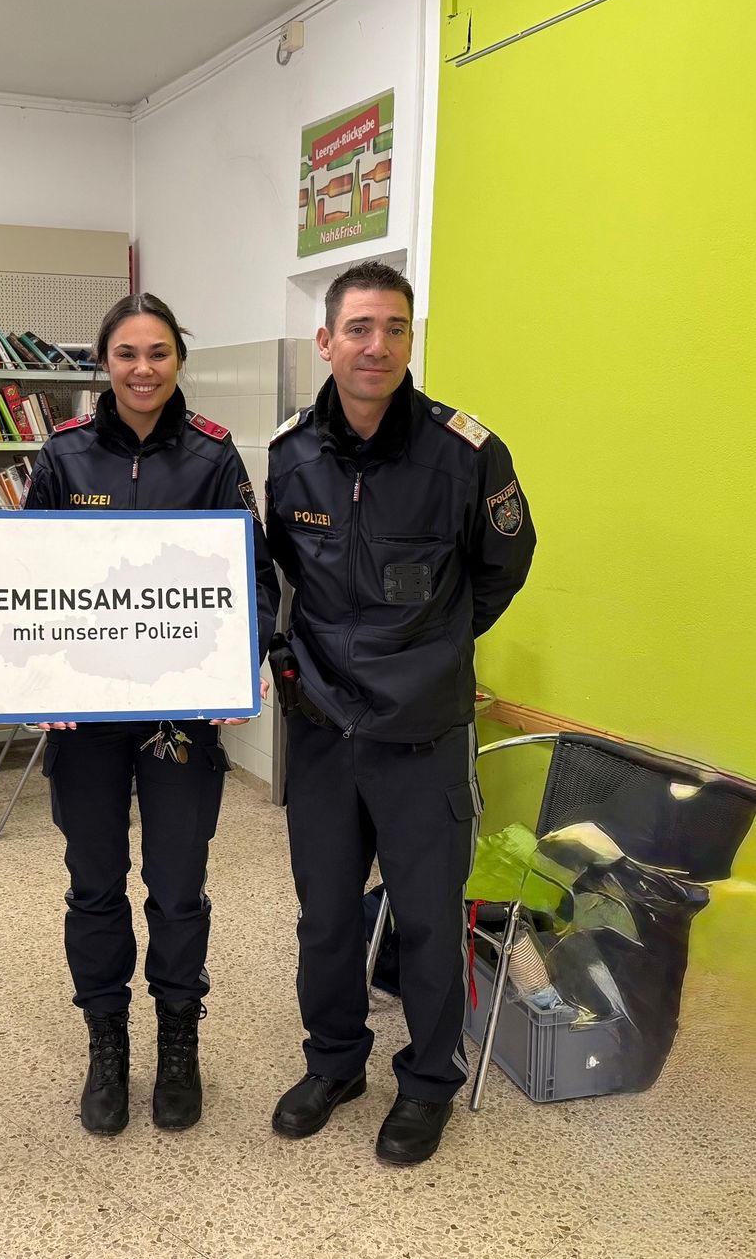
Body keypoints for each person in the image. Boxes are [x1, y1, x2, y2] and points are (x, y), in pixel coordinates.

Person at [265, 260, 535, 1164]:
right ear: (326, 341)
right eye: (359, 329)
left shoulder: (467, 453)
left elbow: (501, 571)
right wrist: (283, 658)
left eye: (395, 328)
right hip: (322, 729)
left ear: (410, 339)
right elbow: (278, 576)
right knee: (327, 916)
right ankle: (335, 1061)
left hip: (421, 735)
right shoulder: (290, 452)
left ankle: (426, 1082)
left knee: (426, 917)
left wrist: (435, 650)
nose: (376, 346)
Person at [23, 293, 279, 1135]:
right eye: (127, 353)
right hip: (88, 720)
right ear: (104, 362)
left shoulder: (212, 456)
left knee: (177, 888)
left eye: (159, 353)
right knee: (94, 886)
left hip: (179, 721)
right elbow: (25, 584)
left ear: (179, 361)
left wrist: (244, 663)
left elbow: (254, 576)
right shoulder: (63, 457)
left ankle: (177, 1041)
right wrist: (35, 682)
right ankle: (106, 1046)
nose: (142, 369)